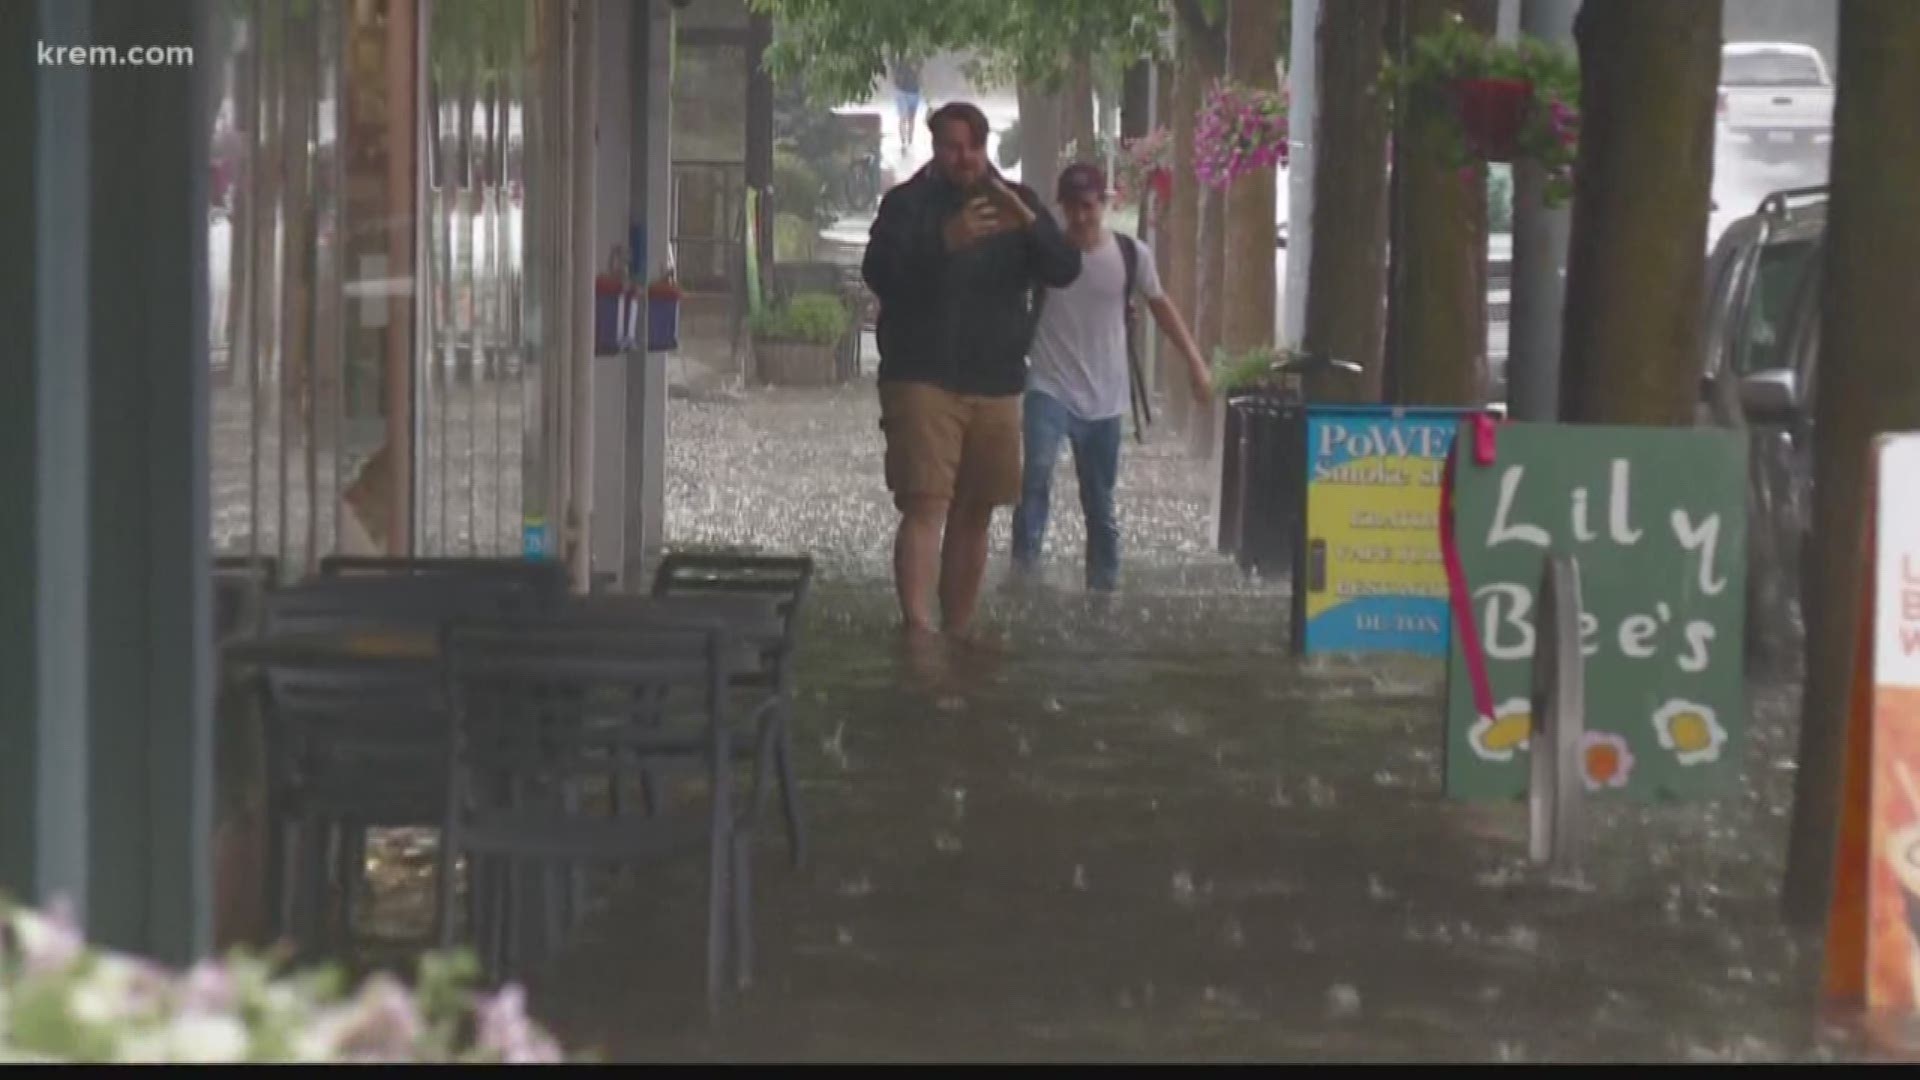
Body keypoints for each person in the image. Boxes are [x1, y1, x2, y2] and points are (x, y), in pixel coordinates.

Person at [861, 102, 1083, 642]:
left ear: (986, 149)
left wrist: (1029, 221)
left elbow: (1064, 268)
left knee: (977, 507)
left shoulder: (1016, 204)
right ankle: (917, 631)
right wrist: (944, 243)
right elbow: (879, 275)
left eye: (973, 147)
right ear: (935, 149)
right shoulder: (907, 205)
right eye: (952, 147)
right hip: (921, 373)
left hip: (997, 380)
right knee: (925, 501)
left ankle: (958, 627)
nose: (964, 158)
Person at [1010, 162, 1214, 593]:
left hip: (1106, 397)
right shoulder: (1045, 255)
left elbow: (1161, 306)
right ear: (1060, 207)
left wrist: (1195, 362)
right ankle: (1023, 577)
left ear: (1103, 203)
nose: (1081, 217)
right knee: (1036, 478)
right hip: (1049, 385)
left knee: (1099, 501)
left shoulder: (1129, 254)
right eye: (1071, 208)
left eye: (1088, 206)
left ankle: (1104, 589)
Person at [891, 55, 923, 153]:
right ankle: (903, 141)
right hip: (902, 91)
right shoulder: (899, 58)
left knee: (911, 118)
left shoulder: (917, 56)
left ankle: (910, 140)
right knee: (903, 117)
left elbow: (919, 71)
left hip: (914, 91)